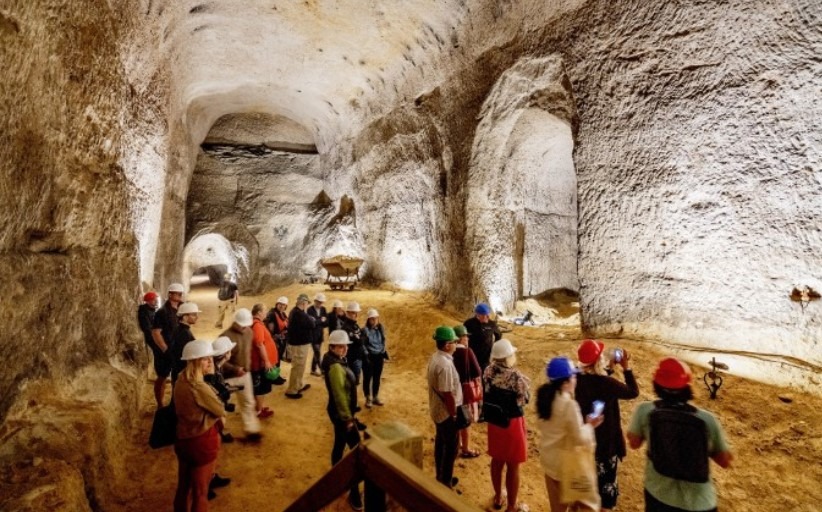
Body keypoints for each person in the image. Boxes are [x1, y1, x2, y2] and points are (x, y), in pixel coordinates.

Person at [627, 358, 733, 512]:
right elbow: (724, 461)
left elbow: (634, 443)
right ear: (687, 386)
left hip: (658, 495)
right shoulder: (707, 420)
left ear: (656, 384)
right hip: (698, 502)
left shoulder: (644, 410)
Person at [574, 339, 639, 511]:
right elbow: (633, 392)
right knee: (605, 494)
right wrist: (626, 368)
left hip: (584, 441)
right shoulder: (607, 384)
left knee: (585, 491)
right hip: (605, 444)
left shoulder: (575, 378)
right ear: (598, 360)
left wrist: (609, 368)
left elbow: (593, 379)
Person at [536, 356, 603, 512]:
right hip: (568, 466)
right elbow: (579, 438)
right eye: (573, 376)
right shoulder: (569, 405)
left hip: (549, 462)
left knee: (557, 509)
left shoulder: (544, 397)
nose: (575, 379)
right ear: (565, 382)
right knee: (586, 506)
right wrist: (590, 425)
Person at [173, 340, 226, 512]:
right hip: (201, 441)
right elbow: (219, 409)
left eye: (210, 358)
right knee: (200, 493)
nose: (210, 362)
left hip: (183, 439)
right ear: (195, 361)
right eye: (205, 359)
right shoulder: (198, 386)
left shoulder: (180, 380)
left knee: (183, 488)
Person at [484, 339, 531, 512]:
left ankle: (498, 496)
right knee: (513, 464)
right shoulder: (516, 377)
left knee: (497, 460)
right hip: (512, 424)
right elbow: (524, 399)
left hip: (495, 422)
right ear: (507, 357)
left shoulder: (488, 371)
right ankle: (511, 506)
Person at [322, 329, 364, 511]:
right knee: (355, 452)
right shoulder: (335, 368)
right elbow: (339, 395)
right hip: (341, 415)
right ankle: (353, 493)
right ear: (332, 347)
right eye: (340, 347)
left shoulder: (335, 361)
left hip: (339, 413)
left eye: (345, 346)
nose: (345, 349)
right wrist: (348, 419)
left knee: (339, 445)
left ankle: (336, 479)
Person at [218, 309, 262, 440]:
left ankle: (251, 429)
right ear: (235, 322)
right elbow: (219, 361)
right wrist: (235, 369)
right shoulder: (225, 337)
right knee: (221, 405)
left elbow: (248, 352)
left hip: (245, 374)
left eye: (246, 325)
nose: (244, 327)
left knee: (248, 402)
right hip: (228, 377)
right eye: (242, 325)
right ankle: (221, 431)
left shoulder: (249, 332)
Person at [427, 326, 462, 489]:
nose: (456, 343)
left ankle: (440, 476)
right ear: (447, 345)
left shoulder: (435, 357)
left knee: (441, 442)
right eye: (454, 341)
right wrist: (454, 414)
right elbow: (448, 394)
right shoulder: (445, 365)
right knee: (451, 448)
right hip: (446, 412)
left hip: (437, 409)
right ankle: (445, 481)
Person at [150, 283, 185, 406]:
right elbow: (156, 333)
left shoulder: (182, 309)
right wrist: (165, 349)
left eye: (181, 294)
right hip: (164, 350)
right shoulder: (162, 312)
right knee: (162, 377)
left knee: (178, 377)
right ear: (170, 294)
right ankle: (160, 404)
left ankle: (175, 404)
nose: (180, 296)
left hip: (177, 348)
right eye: (178, 294)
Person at [452, 324, 482, 458]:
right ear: (459, 338)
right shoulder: (467, 352)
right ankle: (465, 448)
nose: (467, 339)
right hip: (464, 391)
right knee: (465, 420)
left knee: (455, 417)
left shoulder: (449, 353)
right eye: (465, 336)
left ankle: (457, 444)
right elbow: (477, 371)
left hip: (452, 390)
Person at [285, 294, 316, 399]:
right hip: (299, 345)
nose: (307, 305)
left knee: (300, 366)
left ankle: (298, 385)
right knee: (298, 366)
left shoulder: (297, 312)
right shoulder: (299, 314)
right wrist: (311, 319)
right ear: (303, 303)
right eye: (307, 303)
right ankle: (292, 390)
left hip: (299, 344)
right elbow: (312, 324)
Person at [138, 291, 166, 408]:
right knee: (159, 353)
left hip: (155, 336)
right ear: (148, 301)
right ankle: (160, 374)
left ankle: (162, 374)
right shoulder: (144, 312)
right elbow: (148, 328)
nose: (155, 301)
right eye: (153, 299)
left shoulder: (152, 310)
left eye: (155, 299)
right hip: (152, 338)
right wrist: (157, 338)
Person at [250, 303, 278, 417]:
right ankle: (259, 411)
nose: (266, 312)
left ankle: (259, 407)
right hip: (260, 363)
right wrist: (266, 361)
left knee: (259, 387)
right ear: (259, 312)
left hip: (259, 362)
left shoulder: (256, 323)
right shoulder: (257, 325)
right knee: (260, 388)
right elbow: (259, 344)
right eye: (264, 310)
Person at [464, 302, 502, 372]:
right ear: (478, 315)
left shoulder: (492, 324)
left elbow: (498, 335)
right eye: (485, 315)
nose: (488, 317)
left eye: (488, 315)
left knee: (485, 373)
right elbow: (463, 337)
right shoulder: (469, 324)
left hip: (486, 357)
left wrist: (494, 348)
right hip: (472, 355)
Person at [361, 308, 387, 408]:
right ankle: (368, 398)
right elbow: (363, 345)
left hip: (379, 356)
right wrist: (366, 355)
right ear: (368, 319)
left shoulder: (381, 328)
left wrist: (383, 352)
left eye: (376, 318)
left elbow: (383, 340)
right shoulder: (365, 330)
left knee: (377, 377)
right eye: (372, 318)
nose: (374, 320)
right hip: (369, 357)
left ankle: (375, 396)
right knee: (367, 378)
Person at [170, 302, 202, 384]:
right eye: (194, 315)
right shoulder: (184, 333)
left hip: (179, 372)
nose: (197, 317)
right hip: (182, 373)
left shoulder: (180, 329)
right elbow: (183, 356)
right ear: (185, 317)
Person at [340, 302, 365, 385]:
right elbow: (360, 341)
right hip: (352, 359)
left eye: (357, 313)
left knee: (355, 381)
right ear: (348, 313)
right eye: (354, 313)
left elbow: (362, 338)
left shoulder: (355, 325)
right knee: (352, 382)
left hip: (358, 357)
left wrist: (360, 337)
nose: (356, 315)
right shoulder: (346, 328)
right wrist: (361, 337)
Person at [307, 293, 328, 376]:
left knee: (316, 352)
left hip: (320, 335)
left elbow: (326, 323)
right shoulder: (309, 310)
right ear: (315, 301)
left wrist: (318, 321)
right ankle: (322, 369)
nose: (320, 303)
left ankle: (313, 369)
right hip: (312, 335)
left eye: (321, 302)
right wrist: (321, 320)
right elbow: (312, 324)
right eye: (319, 302)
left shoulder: (323, 309)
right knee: (317, 352)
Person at [264, 296, 289, 366]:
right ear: (277, 304)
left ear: (286, 306)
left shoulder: (283, 314)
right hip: (274, 342)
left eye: (283, 305)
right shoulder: (272, 314)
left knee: (278, 359)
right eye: (280, 304)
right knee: (274, 360)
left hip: (281, 342)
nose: (281, 306)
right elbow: (269, 329)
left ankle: (276, 371)